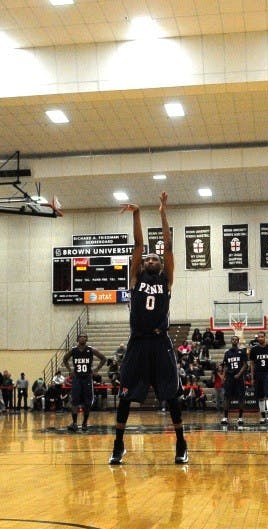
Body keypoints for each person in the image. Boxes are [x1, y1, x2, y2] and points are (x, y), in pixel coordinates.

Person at [109, 192, 187, 465]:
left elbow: (167, 245)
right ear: (142, 265)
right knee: (126, 394)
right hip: (138, 342)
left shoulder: (166, 280)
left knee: (172, 395)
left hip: (160, 341)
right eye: (148, 259)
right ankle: (118, 446)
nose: (152, 260)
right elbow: (139, 244)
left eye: (155, 259)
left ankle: (181, 444)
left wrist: (163, 212)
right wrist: (137, 213)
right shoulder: (135, 278)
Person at [61, 333, 107, 431]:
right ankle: (74, 423)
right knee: (74, 401)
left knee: (87, 402)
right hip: (77, 378)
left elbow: (103, 359)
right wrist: (70, 370)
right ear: (77, 339)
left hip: (87, 378)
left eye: (84, 337)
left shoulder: (90, 349)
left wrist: (96, 370)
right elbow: (64, 359)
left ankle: (85, 423)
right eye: (81, 337)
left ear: (86, 339)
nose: (82, 338)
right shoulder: (73, 350)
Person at [248, 332, 268, 426]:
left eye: (262, 337)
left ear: (265, 337)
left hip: (267, 374)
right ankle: (263, 416)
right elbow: (252, 364)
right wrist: (252, 377)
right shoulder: (254, 349)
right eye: (259, 337)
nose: (260, 338)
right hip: (258, 375)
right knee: (260, 397)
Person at [220, 336, 248, 427]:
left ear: (238, 341)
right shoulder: (227, 353)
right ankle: (225, 417)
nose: (234, 340)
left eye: (236, 339)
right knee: (227, 397)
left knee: (241, 397)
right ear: (231, 341)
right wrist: (223, 377)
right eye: (233, 339)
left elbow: (245, 365)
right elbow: (225, 366)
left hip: (239, 378)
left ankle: (240, 417)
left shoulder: (242, 352)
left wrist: (239, 374)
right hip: (229, 377)